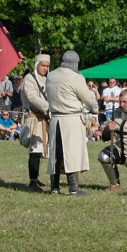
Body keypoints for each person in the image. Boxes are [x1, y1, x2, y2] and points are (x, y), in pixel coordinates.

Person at [46, 50, 98, 195]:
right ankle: (73, 188)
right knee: (71, 153)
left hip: (55, 118)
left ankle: (54, 187)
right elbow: (87, 97)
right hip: (71, 119)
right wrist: (95, 108)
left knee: (56, 154)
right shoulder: (75, 77)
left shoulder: (51, 76)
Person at [20, 54, 51, 191]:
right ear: (37, 64)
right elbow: (32, 97)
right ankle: (33, 180)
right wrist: (48, 108)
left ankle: (41, 178)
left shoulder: (48, 80)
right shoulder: (29, 79)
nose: (45, 68)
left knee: (49, 149)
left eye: (47, 66)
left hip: (47, 118)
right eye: (43, 65)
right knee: (35, 149)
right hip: (35, 117)